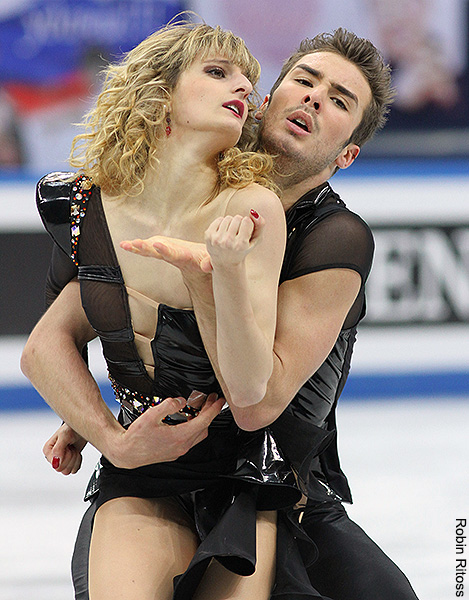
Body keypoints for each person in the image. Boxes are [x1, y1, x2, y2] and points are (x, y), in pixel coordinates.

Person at [29, 26, 419, 600]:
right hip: (160, 468)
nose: (314, 97)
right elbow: (79, 324)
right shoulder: (180, 194)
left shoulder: (333, 238)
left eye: (339, 100)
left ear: (347, 154)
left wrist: (214, 275)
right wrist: (101, 417)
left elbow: (257, 402)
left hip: (277, 479)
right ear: (265, 103)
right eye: (305, 81)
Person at [21, 21, 310, 600]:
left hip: (238, 467)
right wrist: (109, 437)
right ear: (160, 92)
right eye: (218, 72)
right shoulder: (85, 203)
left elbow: (250, 389)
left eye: (249, 80)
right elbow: (42, 350)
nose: (244, 88)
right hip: (139, 464)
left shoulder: (250, 209)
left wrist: (214, 274)